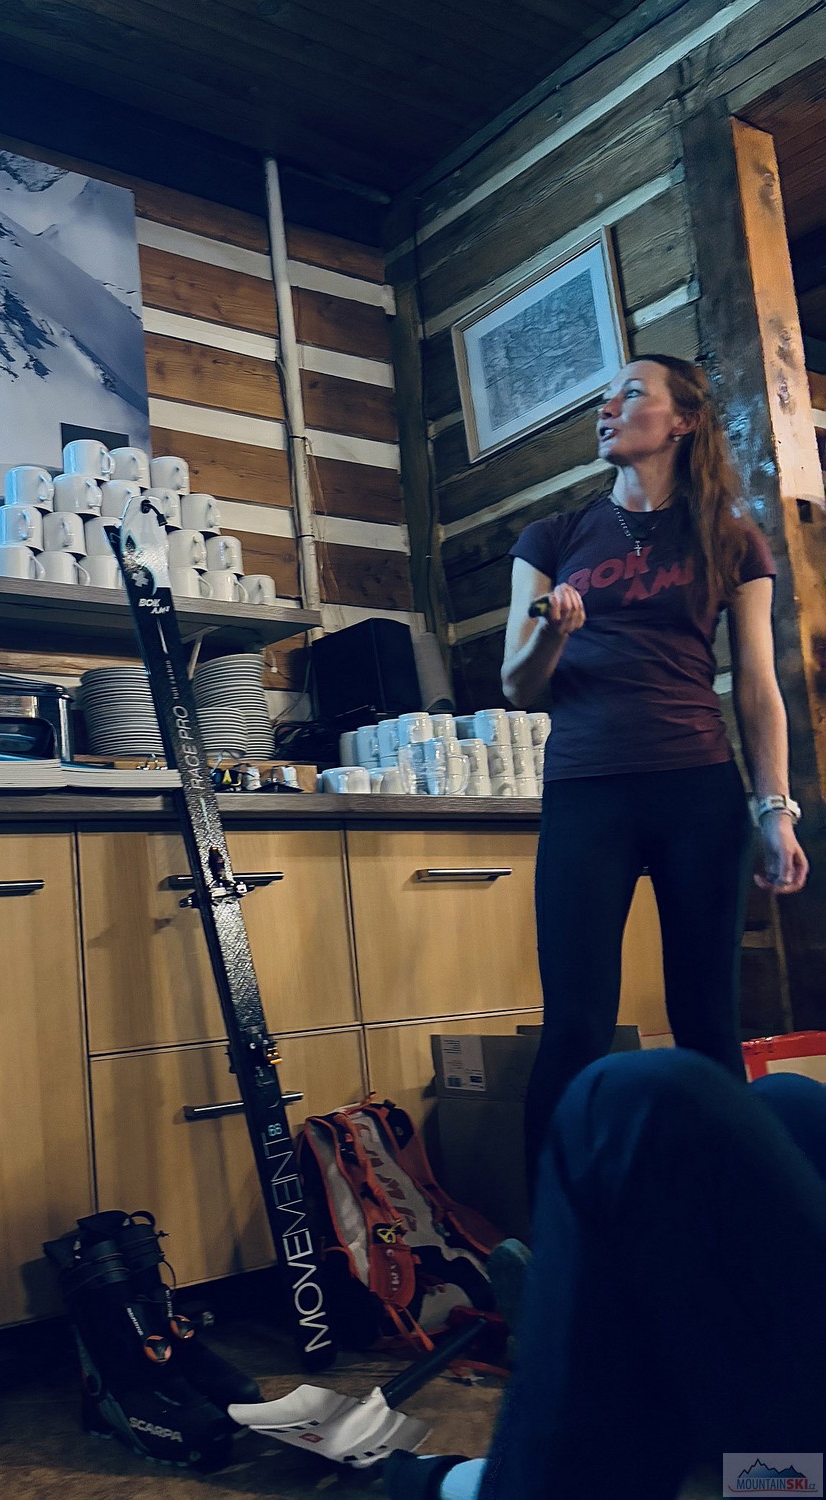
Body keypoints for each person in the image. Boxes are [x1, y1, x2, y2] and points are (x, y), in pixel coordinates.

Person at [499, 355, 809, 1185]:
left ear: (682, 421)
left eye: (630, 393)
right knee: (574, 1025)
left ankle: (730, 1213)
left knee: (706, 1019)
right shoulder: (550, 539)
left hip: (695, 791)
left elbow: (755, 684)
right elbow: (517, 686)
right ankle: (552, 1232)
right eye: (603, 398)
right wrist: (552, 633)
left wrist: (774, 810)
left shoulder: (729, 540)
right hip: (586, 791)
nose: (606, 407)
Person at [383, 1047, 826, 1500]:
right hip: (791, 1473)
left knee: (635, 1095)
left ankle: (538, 1466)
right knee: (786, 1102)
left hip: (792, 1478)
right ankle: (616, 1375)